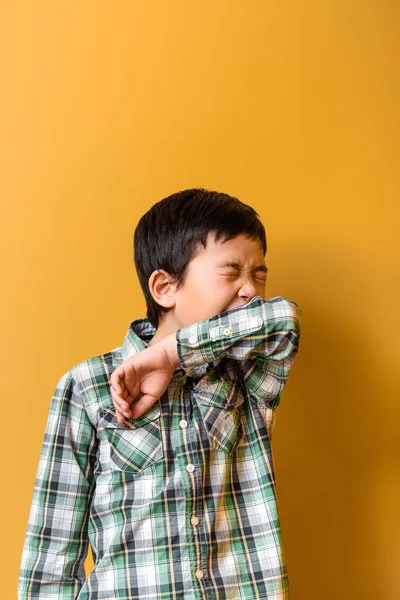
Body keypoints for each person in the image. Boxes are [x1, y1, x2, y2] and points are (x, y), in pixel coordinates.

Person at [18, 188, 302, 600]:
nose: (250, 291)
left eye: (259, 274)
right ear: (165, 287)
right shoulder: (88, 386)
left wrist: (169, 355)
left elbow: (284, 319)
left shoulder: (248, 377)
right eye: (231, 271)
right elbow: (50, 556)